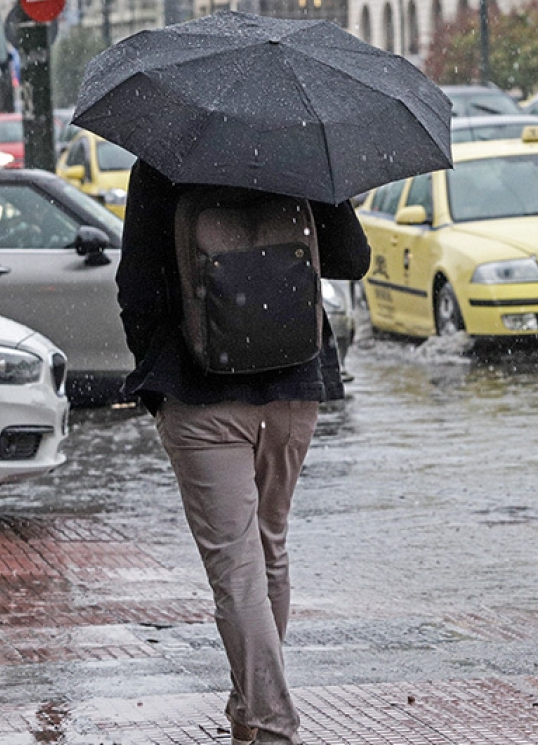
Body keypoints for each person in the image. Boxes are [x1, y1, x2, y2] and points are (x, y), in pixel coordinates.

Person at [116, 159, 371, 745]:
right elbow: (352, 261)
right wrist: (328, 194)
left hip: (199, 393)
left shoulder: (161, 163)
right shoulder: (300, 153)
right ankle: (250, 707)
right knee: (268, 549)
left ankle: (274, 724)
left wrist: (158, 369)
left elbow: (136, 286)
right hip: (293, 387)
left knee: (237, 569)